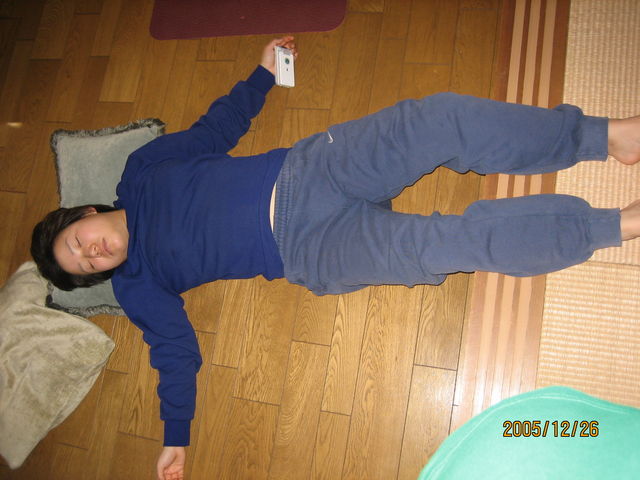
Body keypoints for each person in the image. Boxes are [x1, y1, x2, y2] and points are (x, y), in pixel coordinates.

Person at [30, 36, 640, 480]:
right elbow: (174, 353)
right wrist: (176, 436)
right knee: (447, 244)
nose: (93, 254)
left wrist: (263, 73)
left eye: (79, 243)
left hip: (310, 170)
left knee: (439, 119)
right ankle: (618, 225)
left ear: (86, 213)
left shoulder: (142, 170)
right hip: (313, 251)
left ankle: (607, 136)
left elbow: (215, 131)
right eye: (86, 267)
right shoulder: (137, 286)